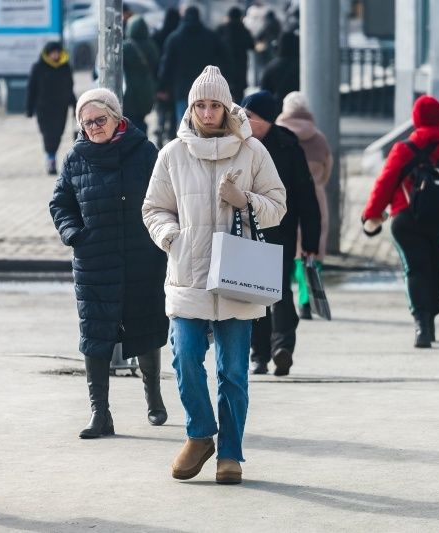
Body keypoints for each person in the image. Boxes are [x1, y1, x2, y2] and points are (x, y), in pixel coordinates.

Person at [143, 66, 286, 484]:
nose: (207, 113)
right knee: (185, 356)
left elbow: (278, 204)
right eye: (200, 105)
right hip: (188, 271)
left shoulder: (253, 151)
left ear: (227, 107)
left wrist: (244, 199)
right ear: (191, 107)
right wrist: (173, 237)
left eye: (214, 105)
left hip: (238, 276)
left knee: (233, 371)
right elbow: (153, 208)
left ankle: (231, 454)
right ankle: (200, 434)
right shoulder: (172, 153)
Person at [49, 88, 170, 439]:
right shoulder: (76, 158)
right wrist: (75, 234)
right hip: (94, 259)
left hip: (141, 256)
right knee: (95, 335)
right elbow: (60, 204)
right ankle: (99, 413)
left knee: (146, 327)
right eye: (86, 123)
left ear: (117, 117)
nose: (94, 128)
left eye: (100, 120)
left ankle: (154, 399)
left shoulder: (145, 151)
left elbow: (165, 197)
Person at [362, 95, 439, 348]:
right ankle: (430, 318)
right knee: (436, 270)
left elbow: (384, 184)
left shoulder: (404, 149)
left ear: (416, 119)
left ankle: (422, 324)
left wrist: (370, 215)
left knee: (415, 269)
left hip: (407, 219)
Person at [241, 90, 320, 376]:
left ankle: (282, 348)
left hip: (281, 230)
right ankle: (258, 354)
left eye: (249, 115)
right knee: (253, 293)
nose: (244, 119)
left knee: (279, 291)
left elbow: (306, 196)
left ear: (266, 120)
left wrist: (310, 240)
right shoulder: (238, 143)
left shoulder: (288, 146)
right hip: (246, 229)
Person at [276, 91, 333, 319]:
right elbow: (327, 170)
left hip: (281, 197)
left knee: (285, 249)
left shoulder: (276, 134)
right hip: (314, 198)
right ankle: (306, 301)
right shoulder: (319, 138)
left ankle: (282, 298)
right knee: (311, 250)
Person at [157, 6, 231, 123]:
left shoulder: (174, 38)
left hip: (181, 88)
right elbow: (226, 59)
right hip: (207, 87)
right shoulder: (211, 37)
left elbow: (167, 65)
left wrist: (162, 87)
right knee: (206, 123)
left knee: (185, 124)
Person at [26, 42, 77, 175]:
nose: (55, 55)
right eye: (53, 52)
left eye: (57, 52)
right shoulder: (38, 67)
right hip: (44, 108)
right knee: (47, 134)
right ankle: (51, 159)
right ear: (47, 54)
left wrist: (74, 103)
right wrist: (29, 108)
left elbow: (69, 87)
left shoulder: (65, 67)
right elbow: (32, 89)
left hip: (61, 107)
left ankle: (52, 155)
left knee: (58, 133)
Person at [123, 16, 159, 136]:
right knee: (141, 117)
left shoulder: (125, 47)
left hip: (130, 88)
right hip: (147, 88)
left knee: (131, 119)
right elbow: (156, 64)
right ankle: (143, 140)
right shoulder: (152, 46)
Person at [152, 7, 181, 147]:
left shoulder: (158, 35)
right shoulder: (177, 36)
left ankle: (160, 127)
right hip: (175, 80)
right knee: (174, 110)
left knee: (161, 107)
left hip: (161, 78)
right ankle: (171, 135)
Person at [216, 6, 255, 105]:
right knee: (239, 97)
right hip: (240, 67)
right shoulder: (243, 30)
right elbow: (252, 45)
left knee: (223, 94)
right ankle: (238, 117)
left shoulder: (221, 29)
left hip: (224, 68)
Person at [259, 31, 299, 103]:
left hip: (277, 108)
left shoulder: (271, 67)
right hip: (297, 106)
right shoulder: (301, 66)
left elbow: (263, 92)